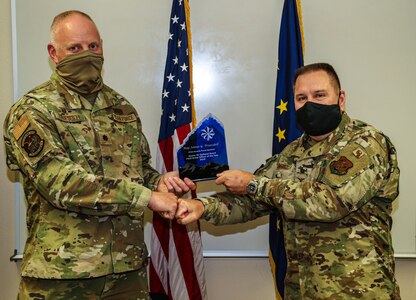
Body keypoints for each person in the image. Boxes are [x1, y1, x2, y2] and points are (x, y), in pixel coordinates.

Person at [3, 10, 194, 299]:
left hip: (126, 272)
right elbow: (62, 184)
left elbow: (139, 170)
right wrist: (147, 197)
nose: (87, 54)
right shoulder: (33, 110)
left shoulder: (122, 108)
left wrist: (158, 183)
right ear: (54, 53)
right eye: (75, 48)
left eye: (93, 46)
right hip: (63, 275)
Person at [176, 63, 401, 299]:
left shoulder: (365, 143)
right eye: (301, 98)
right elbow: (252, 201)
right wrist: (200, 206)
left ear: (341, 99)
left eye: (320, 95)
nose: (310, 104)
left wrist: (254, 183)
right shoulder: (292, 153)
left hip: (358, 292)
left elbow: (330, 202)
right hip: (301, 290)